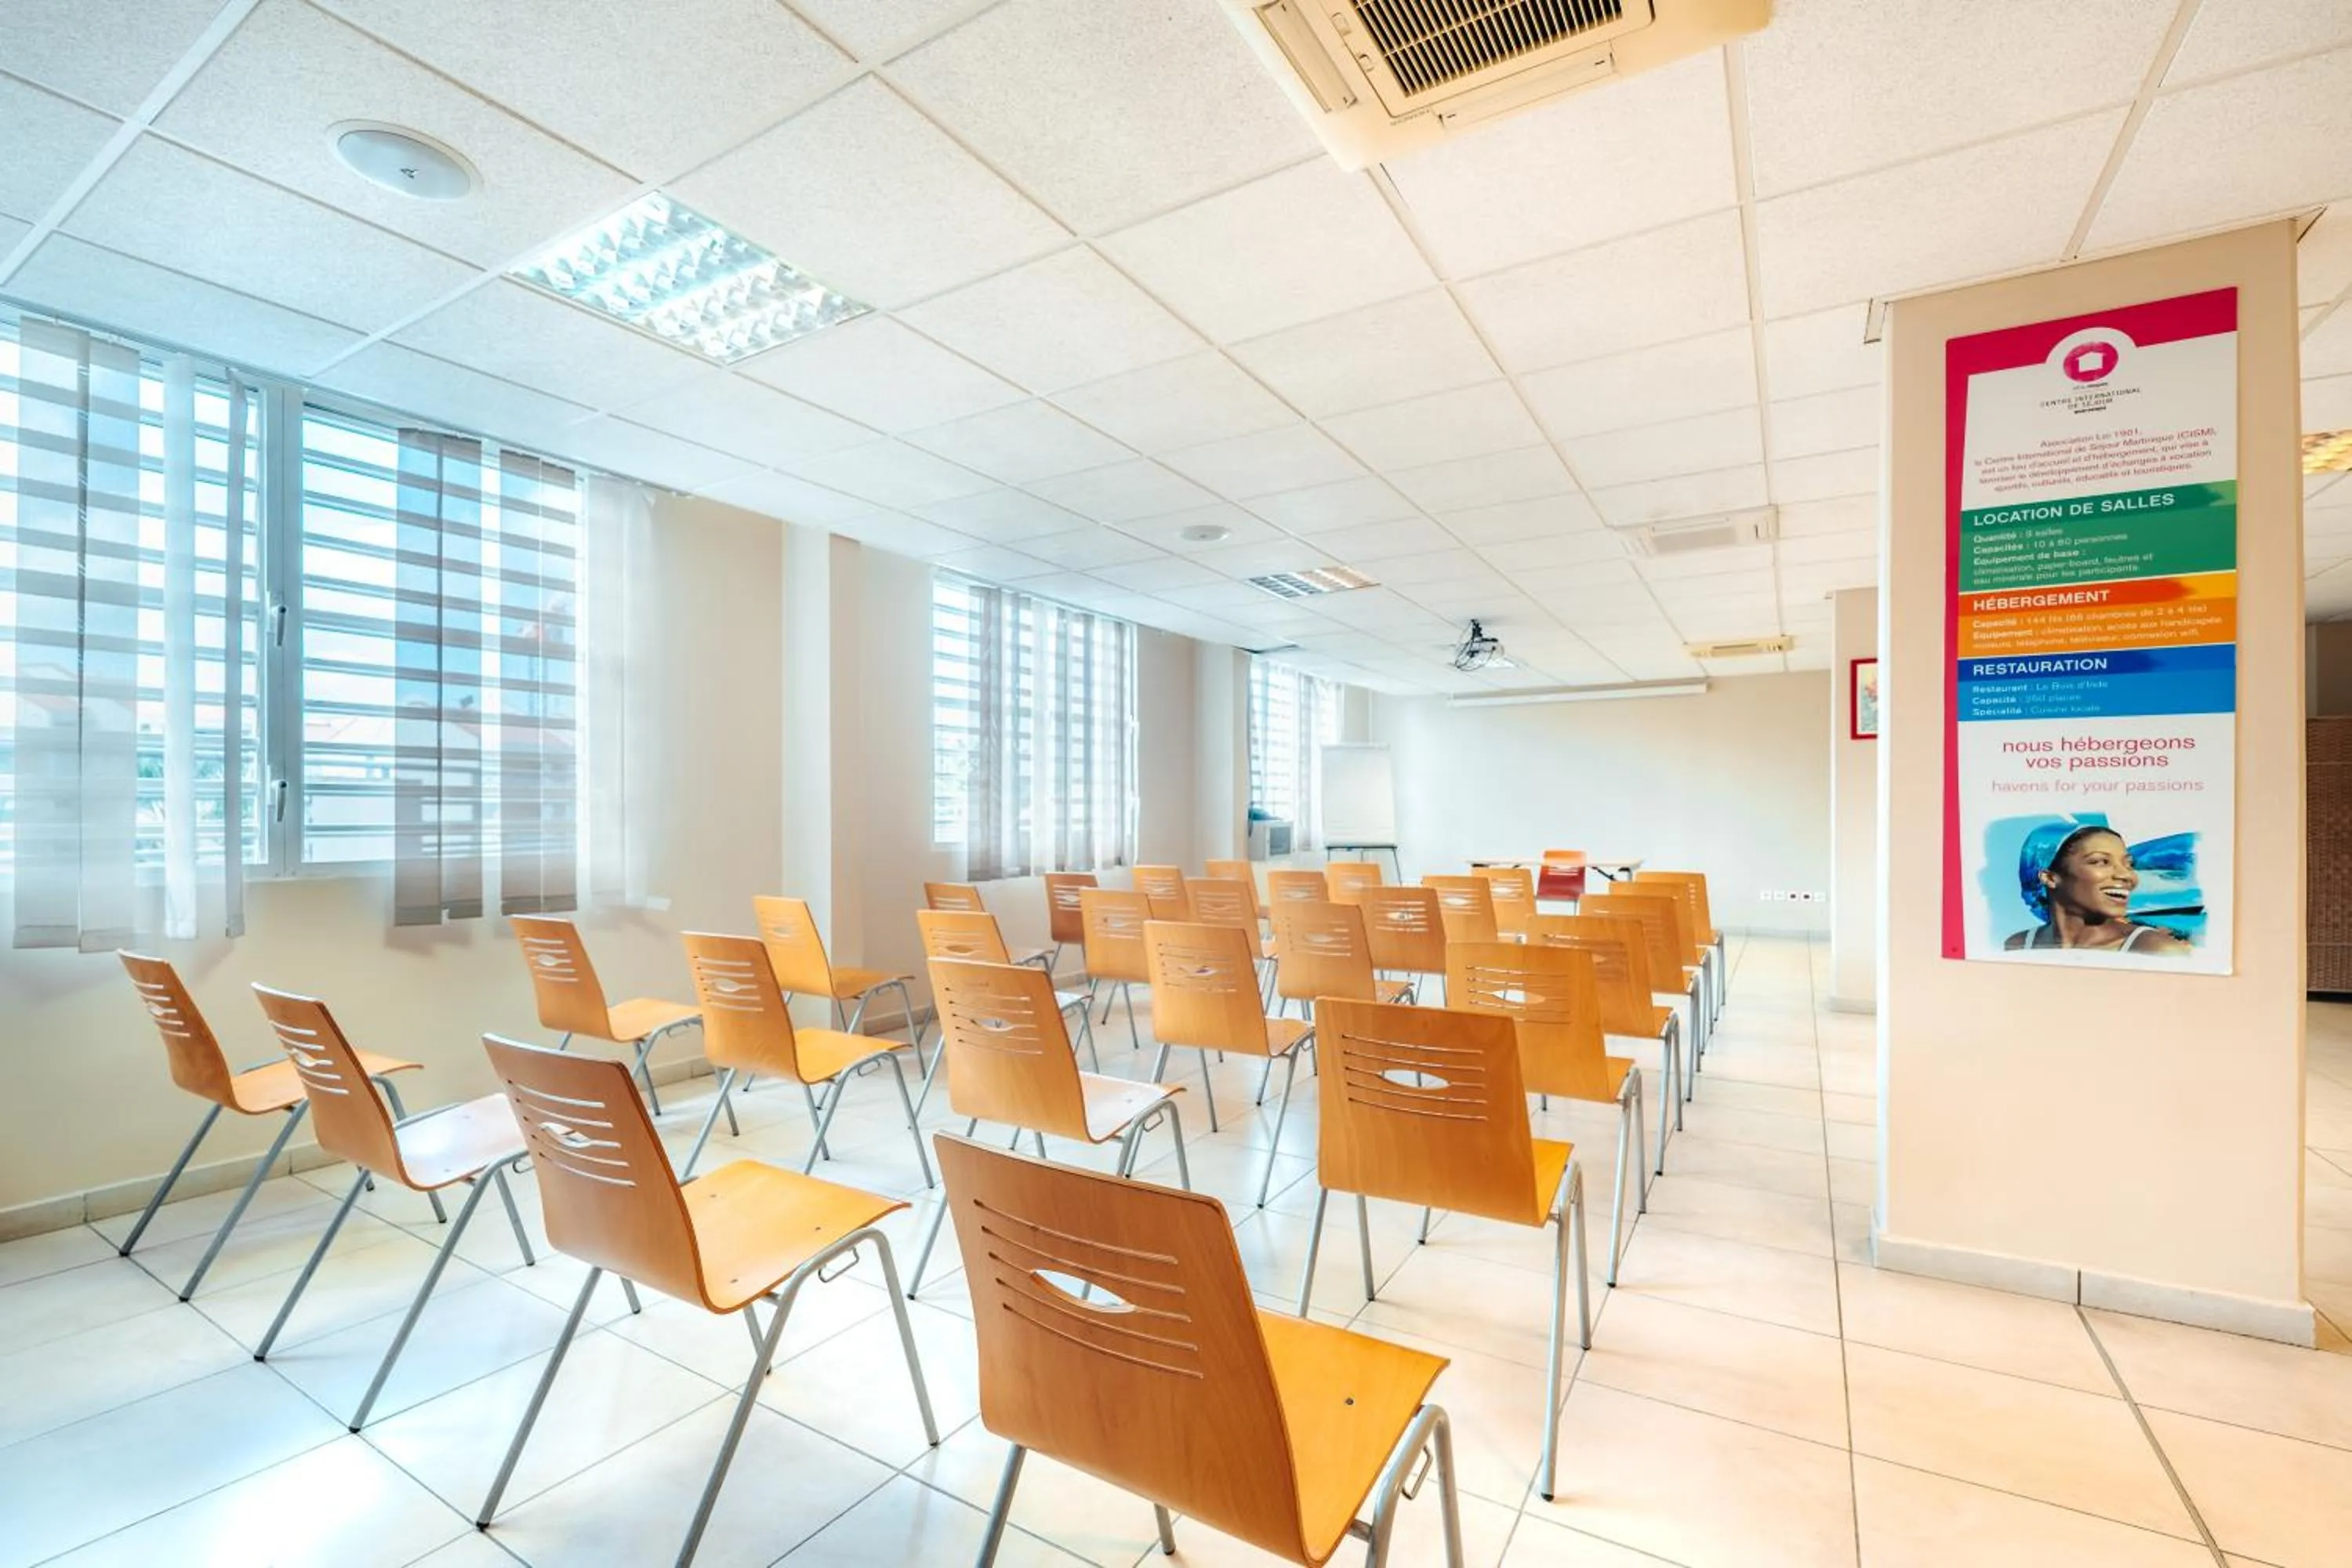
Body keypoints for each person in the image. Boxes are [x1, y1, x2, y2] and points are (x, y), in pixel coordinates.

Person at [2004, 819, 2192, 956]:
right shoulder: (2018, 946)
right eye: (2101, 862)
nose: (2128, 876)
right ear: (2050, 878)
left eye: (2128, 864)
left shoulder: (2156, 950)